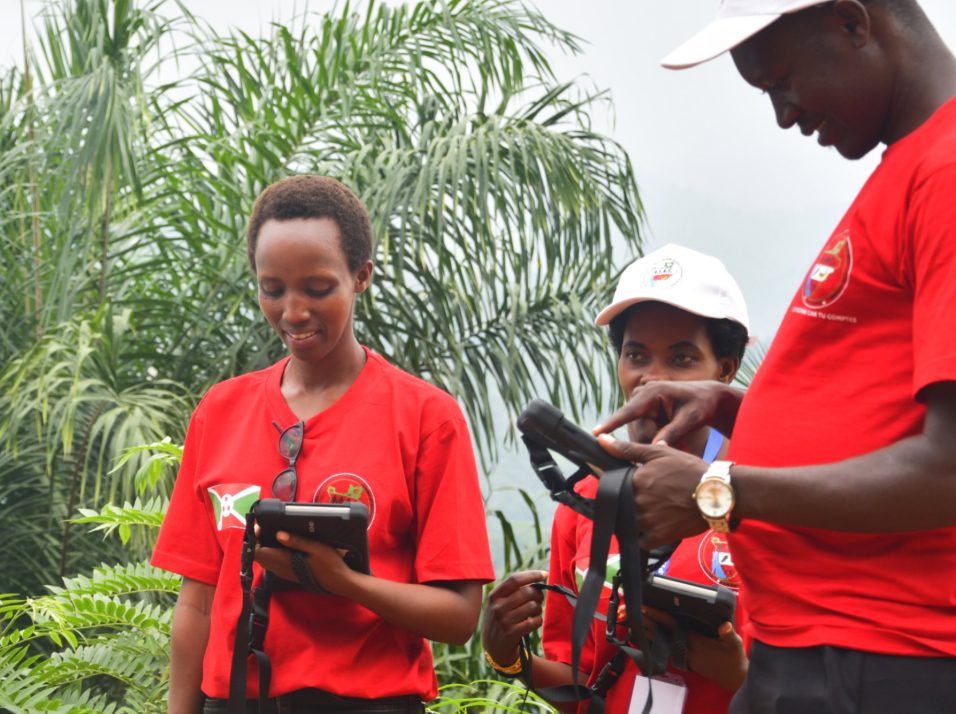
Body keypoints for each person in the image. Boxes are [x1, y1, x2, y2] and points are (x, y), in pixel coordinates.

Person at [594, 2, 956, 713]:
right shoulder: (920, 163)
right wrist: (736, 408)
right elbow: (884, 414)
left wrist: (717, 491)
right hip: (825, 657)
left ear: (854, 23)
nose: (784, 115)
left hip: (895, 662)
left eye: (782, 81)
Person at [151, 175, 495, 713]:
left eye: (316, 289)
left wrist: (342, 582)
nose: (293, 312)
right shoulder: (220, 411)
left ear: (361, 276)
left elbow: (457, 617)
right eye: (272, 289)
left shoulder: (426, 418)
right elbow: (197, 603)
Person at [483, 244, 750, 712]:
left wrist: (740, 675)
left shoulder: (759, 495)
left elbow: (824, 681)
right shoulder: (588, 500)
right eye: (636, 355)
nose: (652, 377)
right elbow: (583, 683)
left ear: (724, 371)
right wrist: (507, 656)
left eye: (682, 358)